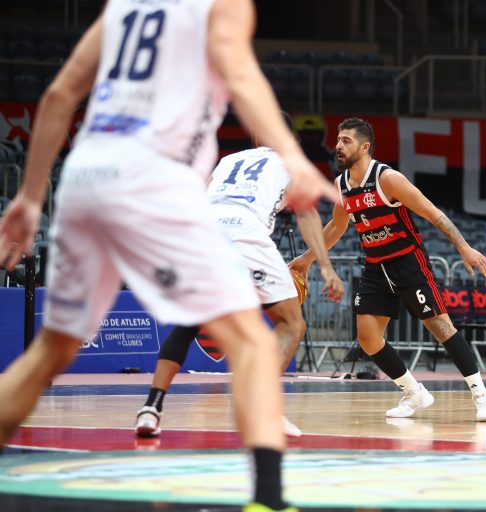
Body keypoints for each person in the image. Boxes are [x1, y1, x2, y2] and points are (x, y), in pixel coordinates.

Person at [0, 1, 337, 511]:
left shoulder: (123, 8)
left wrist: (29, 197)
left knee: (50, 351)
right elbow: (243, 79)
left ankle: (154, 405)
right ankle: (268, 501)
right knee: (253, 342)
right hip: (155, 179)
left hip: (83, 180)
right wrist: (293, 155)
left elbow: (58, 95)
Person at [134, 116, 345, 439]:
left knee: (190, 323)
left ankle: (151, 407)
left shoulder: (228, 160)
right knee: (292, 323)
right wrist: (325, 266)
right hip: (246, 233)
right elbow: (306, 213)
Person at [289, 117, 486, 421]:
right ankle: (414, 393)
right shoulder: (341, 185)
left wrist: (463, 246)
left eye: (346, 141)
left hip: (408, 262)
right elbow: (336, 226)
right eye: (337, 140)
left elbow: (432, 212)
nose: (338, 146)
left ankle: (481, 393)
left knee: (441, 328)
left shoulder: (387, 178)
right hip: (376, 266)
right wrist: (307, 259)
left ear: (364, 147)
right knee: (368, 338)